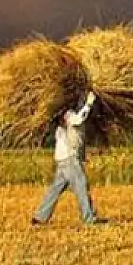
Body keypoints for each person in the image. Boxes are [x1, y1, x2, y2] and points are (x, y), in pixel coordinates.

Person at [32, 90, 104, 226]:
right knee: (81, 186)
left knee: (55, 189)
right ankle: (89, 218)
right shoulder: (70, 115)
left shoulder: (60, 122)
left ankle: (40, 217)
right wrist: (89, 103)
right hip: (70, 160)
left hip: (63, 160)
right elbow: (79, 119)